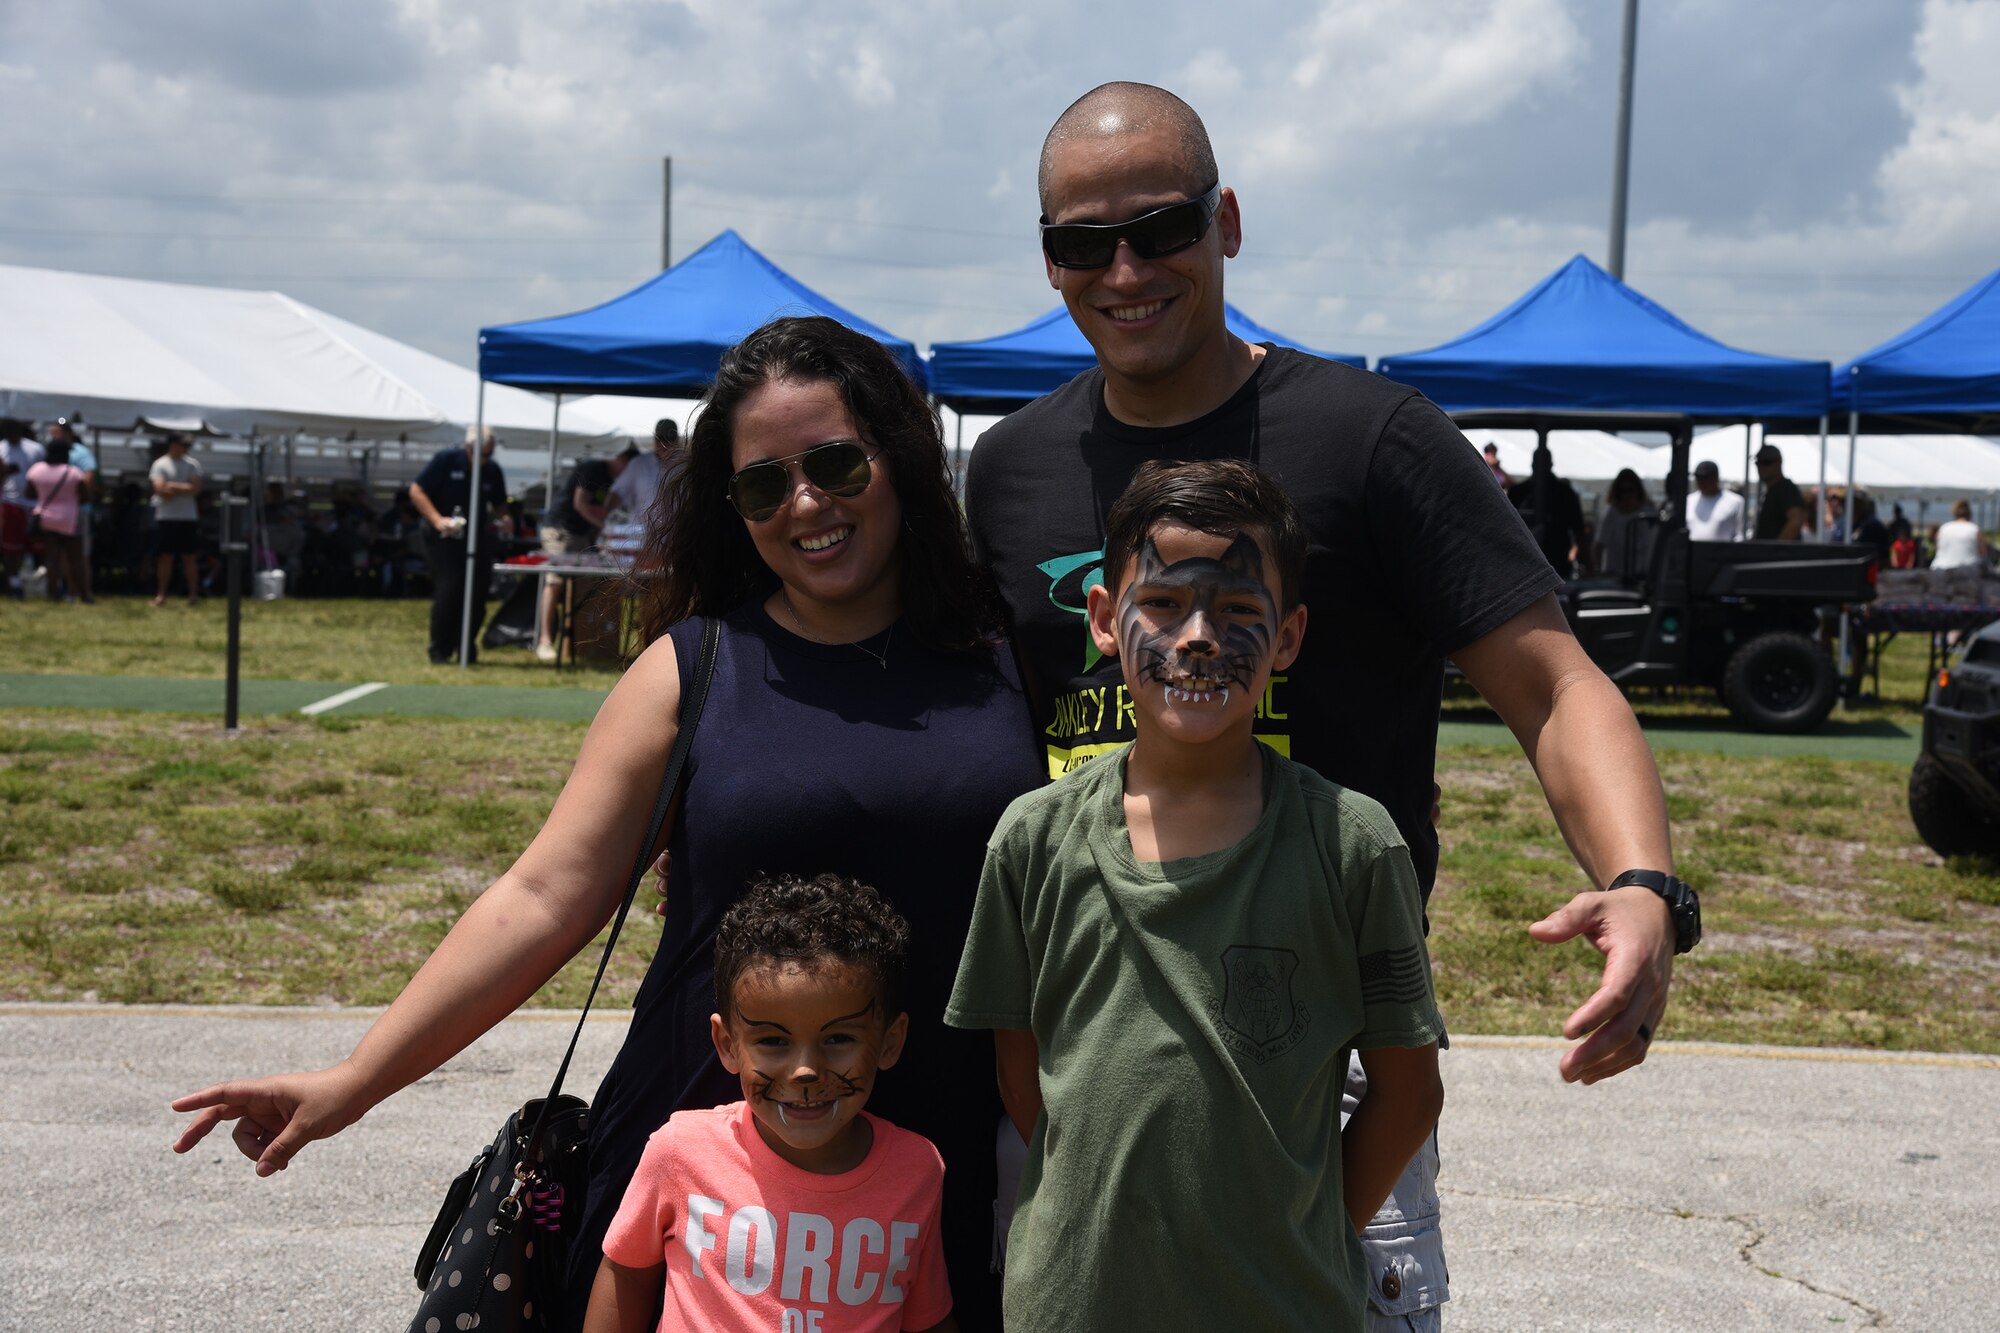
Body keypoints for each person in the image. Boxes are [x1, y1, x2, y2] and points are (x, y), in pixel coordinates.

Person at [966, 82, 1682, 1330]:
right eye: (1083, 244)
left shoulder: (1373, 440)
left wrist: (1642, 883)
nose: (1123, 270)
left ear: (1226, 221)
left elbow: (1552, 684)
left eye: (1160, 228)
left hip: (1328, 1063)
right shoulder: (1010, 468)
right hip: (1091, 1064)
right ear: (1047, 260)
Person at [170, 316, 1041, 1333]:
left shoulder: (1003, 657)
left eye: (836, 463)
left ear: (897, 456)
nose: (805, 503)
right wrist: (356, 1081)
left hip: (929, 1163)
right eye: (763, 483)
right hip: (709, 1173)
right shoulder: (695, 666)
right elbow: (544, 894)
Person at [949, 459, 1443, 1330]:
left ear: (1288, 637)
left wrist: (1308, 1231)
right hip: (1073, 1302)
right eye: (1165, 605)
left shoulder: (1353, 844)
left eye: (1240, 611)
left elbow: (1408, 1092)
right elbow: (1023, 1075)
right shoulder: (1031, 838)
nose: (1200, 636)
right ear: (1105, 618)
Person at [586, 874, 958, 1333]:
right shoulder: (679, 1151)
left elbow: (928, 1318)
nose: (805, 1071)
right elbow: (625, 1273)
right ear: (727, 1045)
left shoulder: (918, 1169)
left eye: (839, 1038)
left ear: (889, 1041)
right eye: (773, 1041)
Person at [408, 424, 508, 663]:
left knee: (478, 592)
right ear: (468, 448)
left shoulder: (492, 470)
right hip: (444, 538)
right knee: (450, 589)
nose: (484, 459)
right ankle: (440, 649)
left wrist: (504, 519)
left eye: (488, 454)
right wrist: (437, 520)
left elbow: (500, 505)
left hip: (477, 537)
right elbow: (417, 490)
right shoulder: (446, 460)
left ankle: (466, 645)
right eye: (480, 454)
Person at [539, 444, 639, 662]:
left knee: (583, 585)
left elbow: (611, 510)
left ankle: (577, 641)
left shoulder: (616, 482)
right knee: (555, 582)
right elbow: (580, 504)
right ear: (621, 460)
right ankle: (544, 641)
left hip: (583, 534)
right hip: (559, 530)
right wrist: (606, 526)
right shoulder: (594, 469)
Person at [25, 435, 91, 603]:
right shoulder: (73, 472)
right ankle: (83, 595)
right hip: (69, 519)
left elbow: (29, 493)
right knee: (75, 559)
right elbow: (85, 496)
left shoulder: (36, 470)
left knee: (51, 558)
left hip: (46, 518)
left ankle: (53, 594)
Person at [1510, 444, 1587, 577]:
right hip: (1524, 562)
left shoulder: (1565, 494)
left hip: (1556, 561)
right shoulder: (1518, 493)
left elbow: (1579, 531)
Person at [149, 433, 203, 607]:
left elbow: (195, 488)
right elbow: (159, 489)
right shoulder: (160, 464)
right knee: (166, 557)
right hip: (166, 517)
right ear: (173, 444)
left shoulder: (193, 464)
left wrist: (171, 485)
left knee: (189, 557)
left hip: (188, 517)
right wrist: (182, 488)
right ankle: (161, 594)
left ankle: (193, 594)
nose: (186, 449)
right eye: (183, 445)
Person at [47, 418, 96, 603]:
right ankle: (64, 592)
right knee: (59, 556)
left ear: (68, 434)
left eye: (56, 433)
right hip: (56, 513)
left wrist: (73, 497)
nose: (53, 436)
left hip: (78, 511)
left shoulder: (81, 453)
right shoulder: (50, 453)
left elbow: (89, 480)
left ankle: (79, 592)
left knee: (79, 555)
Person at [608, 419, 684, 536]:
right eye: (660, 439)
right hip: (643, 535)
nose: (664, 444)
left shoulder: (686, 465)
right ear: (654, 440)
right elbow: (618, 492)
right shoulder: (638, 464)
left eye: (669, 439)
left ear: (676, 441)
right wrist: (605, 515)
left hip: (677, 534)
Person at [0, 419, 46, 598]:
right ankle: (15, 583)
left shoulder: (35, 449)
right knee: (11, 548)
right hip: (10, 503)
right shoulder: (1, 448)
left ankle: (41, 583)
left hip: (35, 505)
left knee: (38, 547)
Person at [1592, 468, 1654, 578]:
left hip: (1642, 575)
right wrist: (1597, 571)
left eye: (1630, 490)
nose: (1626, 495)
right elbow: (1599, 545)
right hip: (1614, 575)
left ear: (1637, 491)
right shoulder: (1611, 514)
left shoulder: (1648, 513)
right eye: (1622, 491)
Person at [1753, 444, 1808, 540]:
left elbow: (1796, 521)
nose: (1761, 467)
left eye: (1766, 462)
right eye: (1758, 462)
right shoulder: (1772, 491)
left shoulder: (1786, 488)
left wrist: (1774, 551)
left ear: (1779, 463)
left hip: (1782, 554)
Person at [1685, 460, 1745, 541]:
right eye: (1698, 477)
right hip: (1692, 553)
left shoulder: (1735, 502)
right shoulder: (1688, 501)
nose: (1701, 481)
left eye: (1705, 478)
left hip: (1723, 552)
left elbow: (1739, 535)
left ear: (1716, 478)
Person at [1930, 499, 1987, 571]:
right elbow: (1983, 553)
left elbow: (1938, 549)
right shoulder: (1975, 529)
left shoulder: (1943, 528)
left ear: (1954, 514)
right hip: (1968, 572)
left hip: (1941, 569)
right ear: (1969, 514)